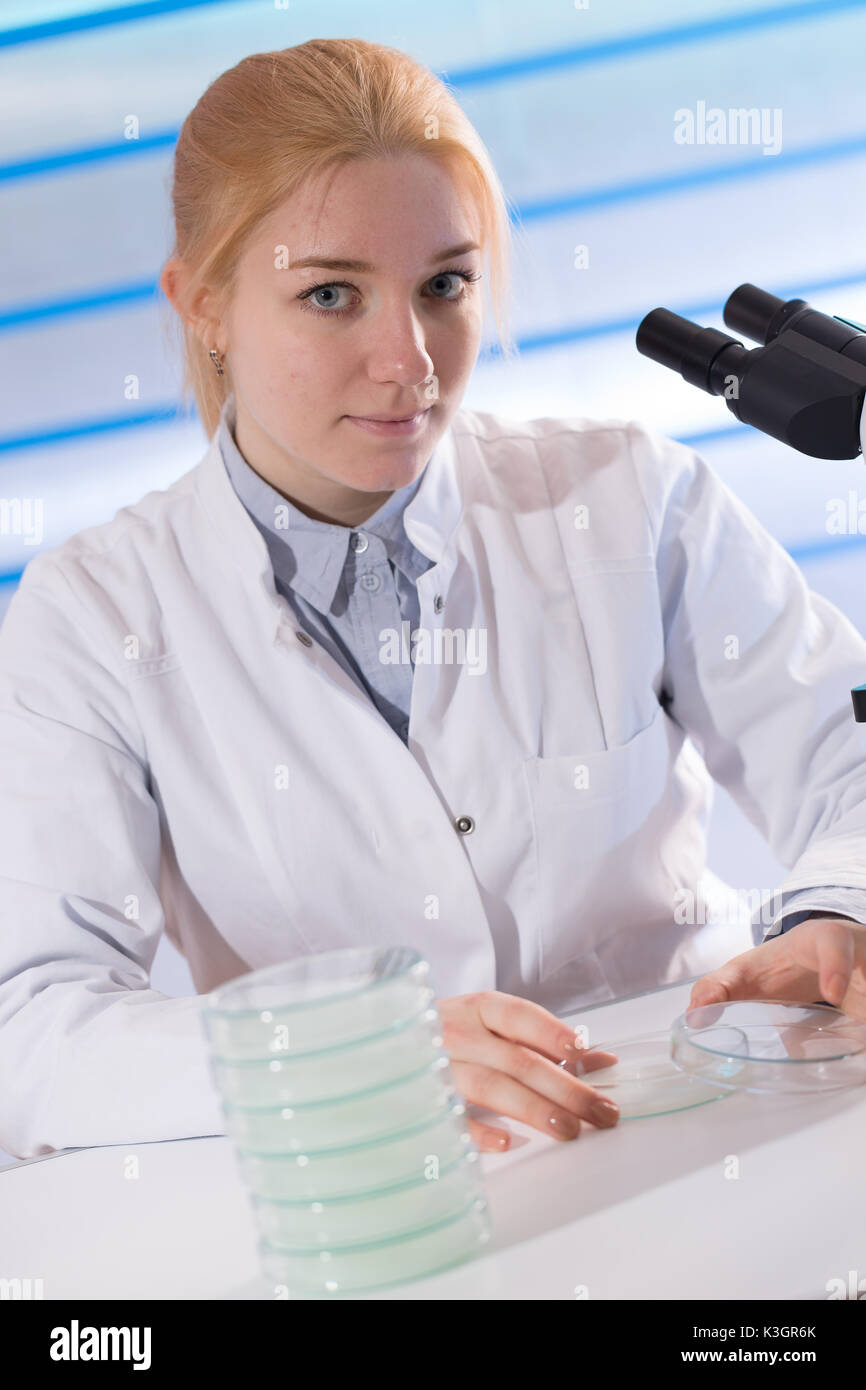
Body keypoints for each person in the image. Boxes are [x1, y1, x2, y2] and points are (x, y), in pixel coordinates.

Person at [1, 38, 865, 1163]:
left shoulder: (626, 496)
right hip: (379, 1204)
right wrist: (360, 1051)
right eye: (328, 294)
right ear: (202, 301)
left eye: (443, 286)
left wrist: (833, 918)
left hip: (705, 1146)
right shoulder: (92, 618)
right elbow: (32, 1037)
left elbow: (841, 764)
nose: (407, 360)